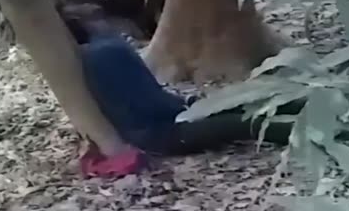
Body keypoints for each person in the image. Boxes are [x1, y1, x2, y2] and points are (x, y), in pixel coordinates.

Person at [60, 9, 292, 177]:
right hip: (161, 133)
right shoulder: (107, 52)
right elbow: (147, 102)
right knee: (243, 122)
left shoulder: (100, 51)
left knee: (237, 107)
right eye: (96, 18)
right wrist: (185, 106)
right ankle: (309, 129)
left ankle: (305, 107)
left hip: (161, 123)